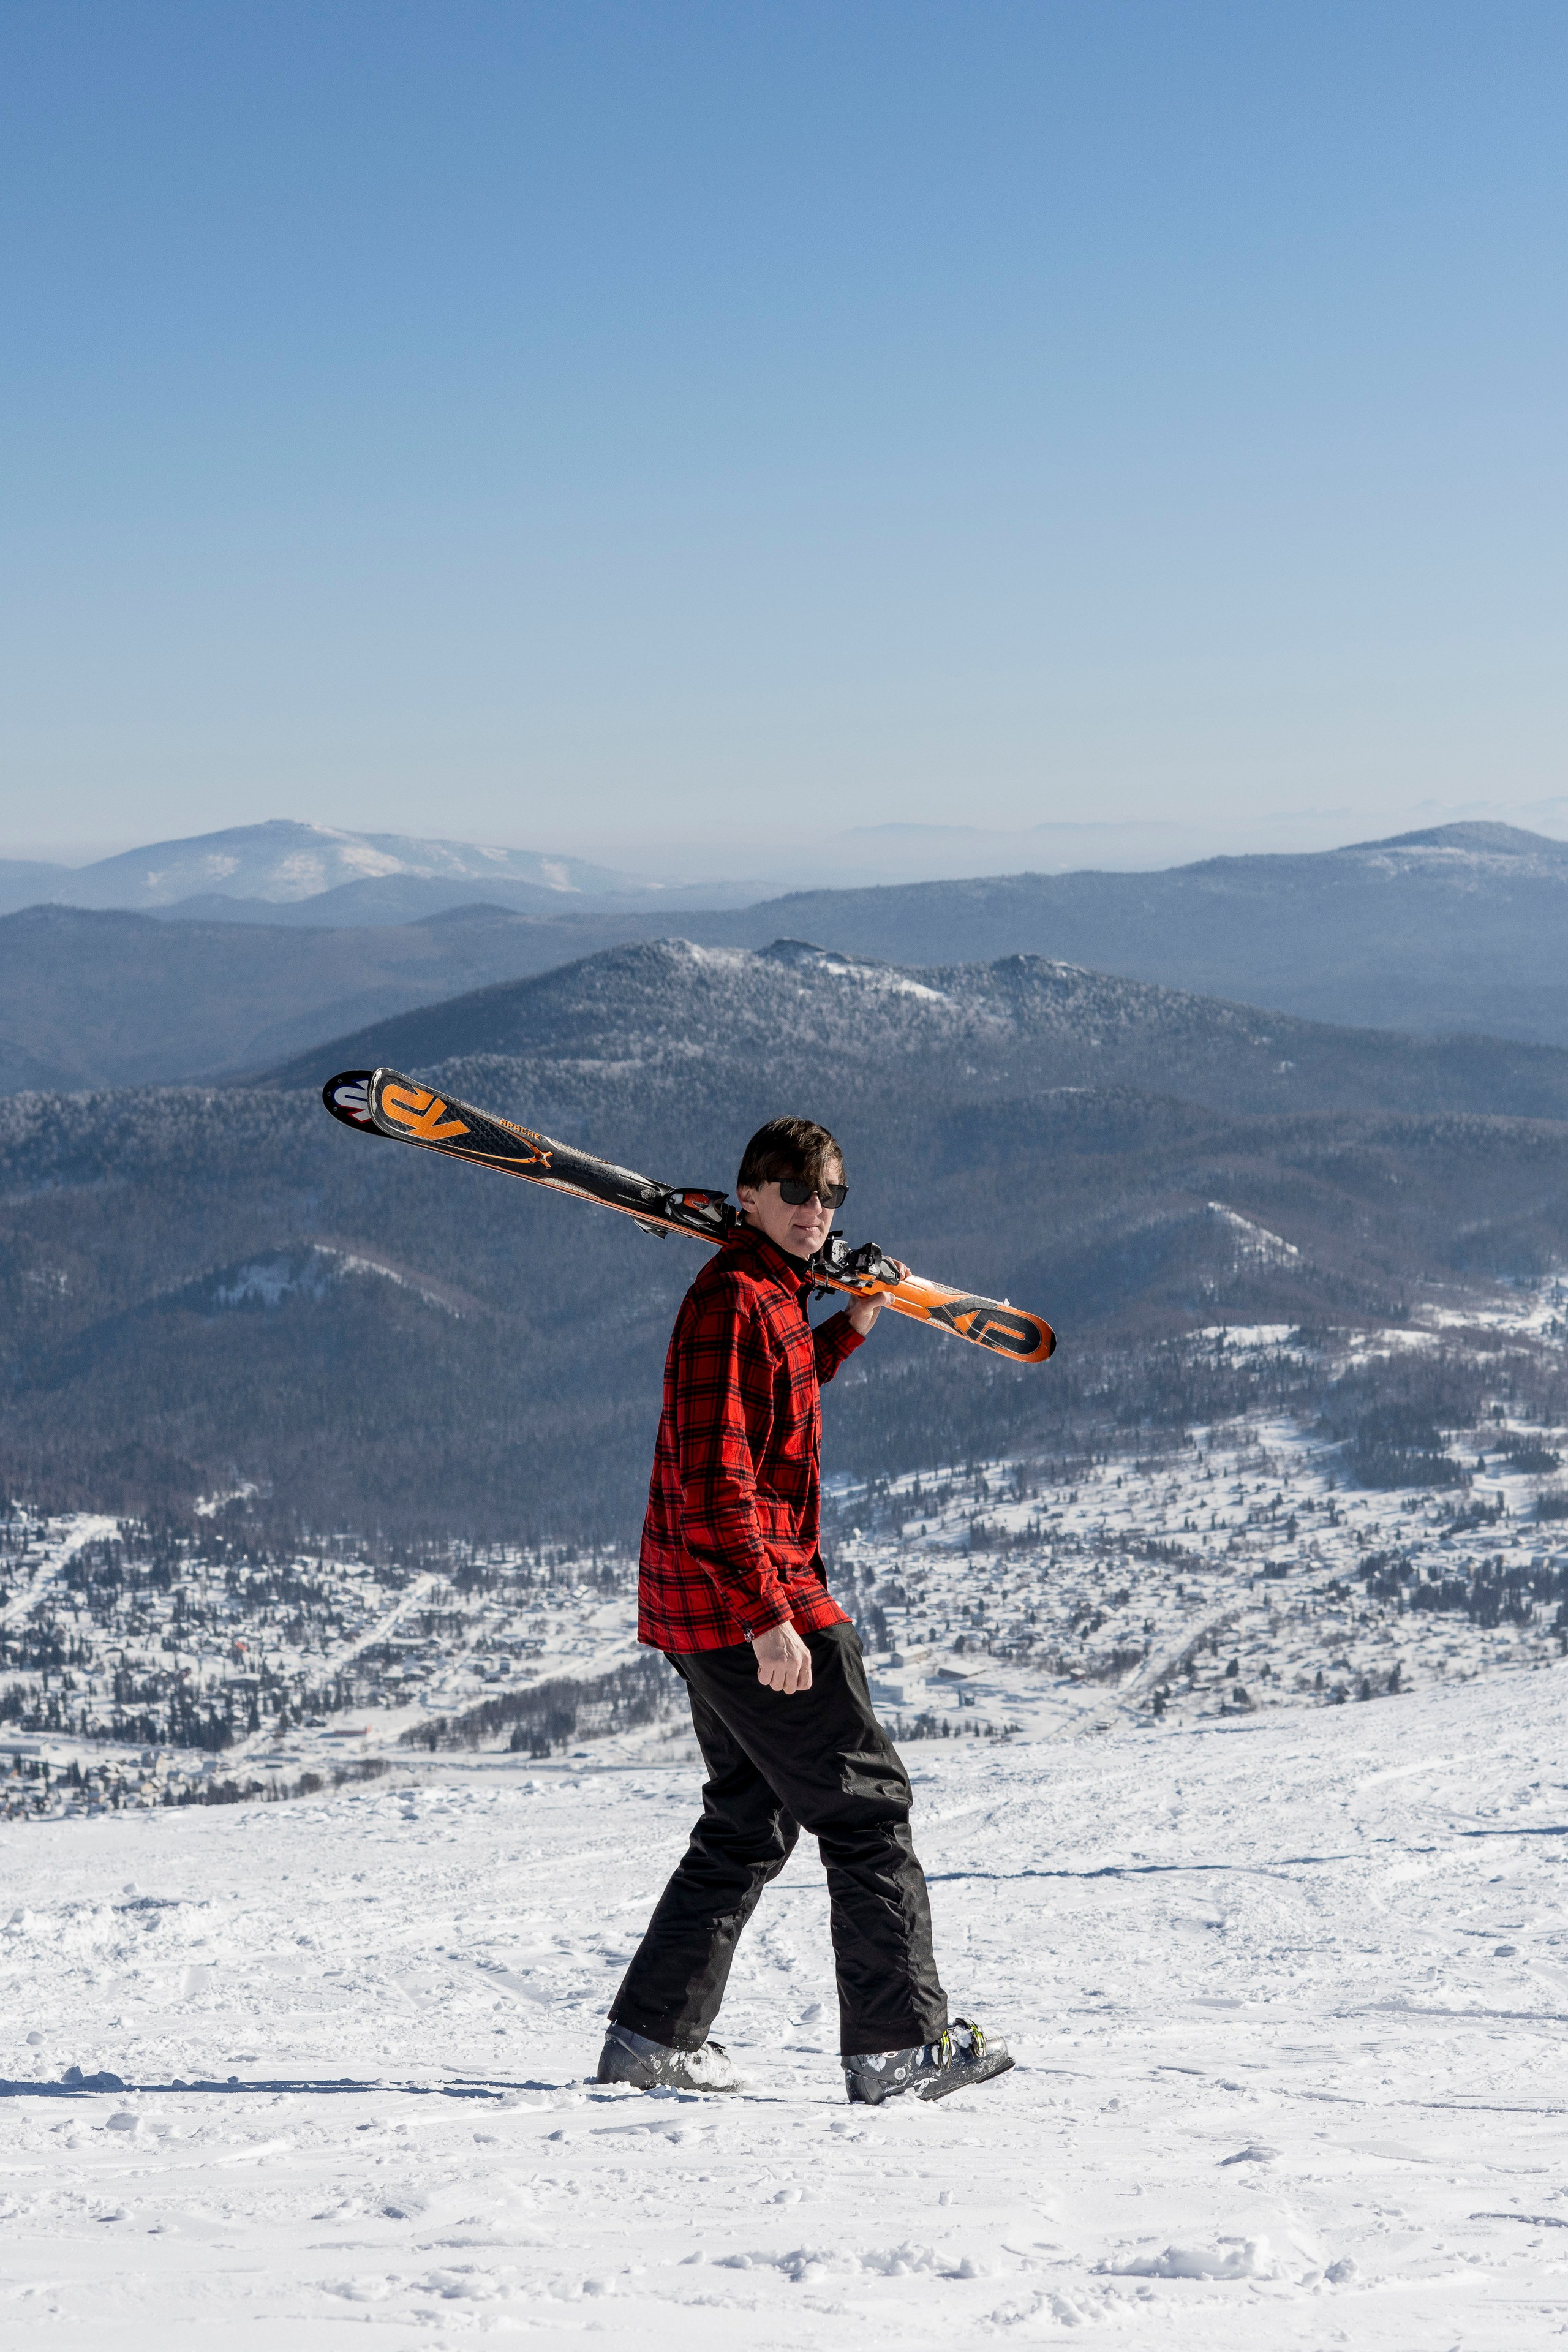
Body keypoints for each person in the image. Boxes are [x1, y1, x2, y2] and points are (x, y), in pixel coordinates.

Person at [597, 1115, 1012, 2105]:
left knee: (749, 1821)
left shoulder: (771, 1297)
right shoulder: (732, 1300)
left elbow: (777, 1401)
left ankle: (652, 2041)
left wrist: (852, 1329)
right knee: (868, 1811)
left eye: (829, 1196)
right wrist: (767, 1616)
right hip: (748, 1600)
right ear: (747, 1195)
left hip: (711, 1604)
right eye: (794, 1193)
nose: (815, 1210)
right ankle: (900, 2050)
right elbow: (715, 1476)